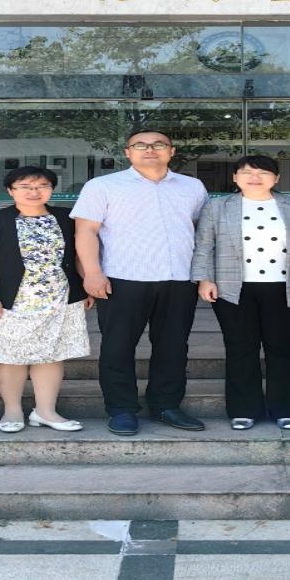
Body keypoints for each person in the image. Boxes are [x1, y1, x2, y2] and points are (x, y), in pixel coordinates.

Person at [72, 128, 209, 436]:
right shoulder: (103, 186)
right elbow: (86, 231)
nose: (150, 149)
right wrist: (92, 272)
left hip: (179, 278)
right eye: (140, 145)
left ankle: (166, 405)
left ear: (171, 151)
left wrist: (203, 275)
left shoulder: (192, 186)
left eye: (158, 144)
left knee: (174, 346)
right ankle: (121, 409)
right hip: (122, 278)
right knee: (118, 347)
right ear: (127, 152)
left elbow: (200, 230)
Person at [192, 155, 290, 430]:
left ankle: (287, 408)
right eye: (247, 172)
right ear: (235, 177)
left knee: (283, 347)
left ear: (276, 178)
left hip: (286, 286)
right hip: (232, 287)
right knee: (240, 348)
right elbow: (204, 245)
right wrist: (204, 278)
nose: (254, 177)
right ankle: (243, 409)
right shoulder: (217, 206)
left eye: (263, 172)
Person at [0, 166, 91, 434]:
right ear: (10, 191)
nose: (34, 192)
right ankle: (12, 410)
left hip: (59, 297)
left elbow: (79, 256)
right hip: (11, 298)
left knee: (52, 354)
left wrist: (87, 287)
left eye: (41, 186)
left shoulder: (67, 217)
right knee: (10, 356)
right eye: (25, 187)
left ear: (51, 189)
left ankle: (45, 411)